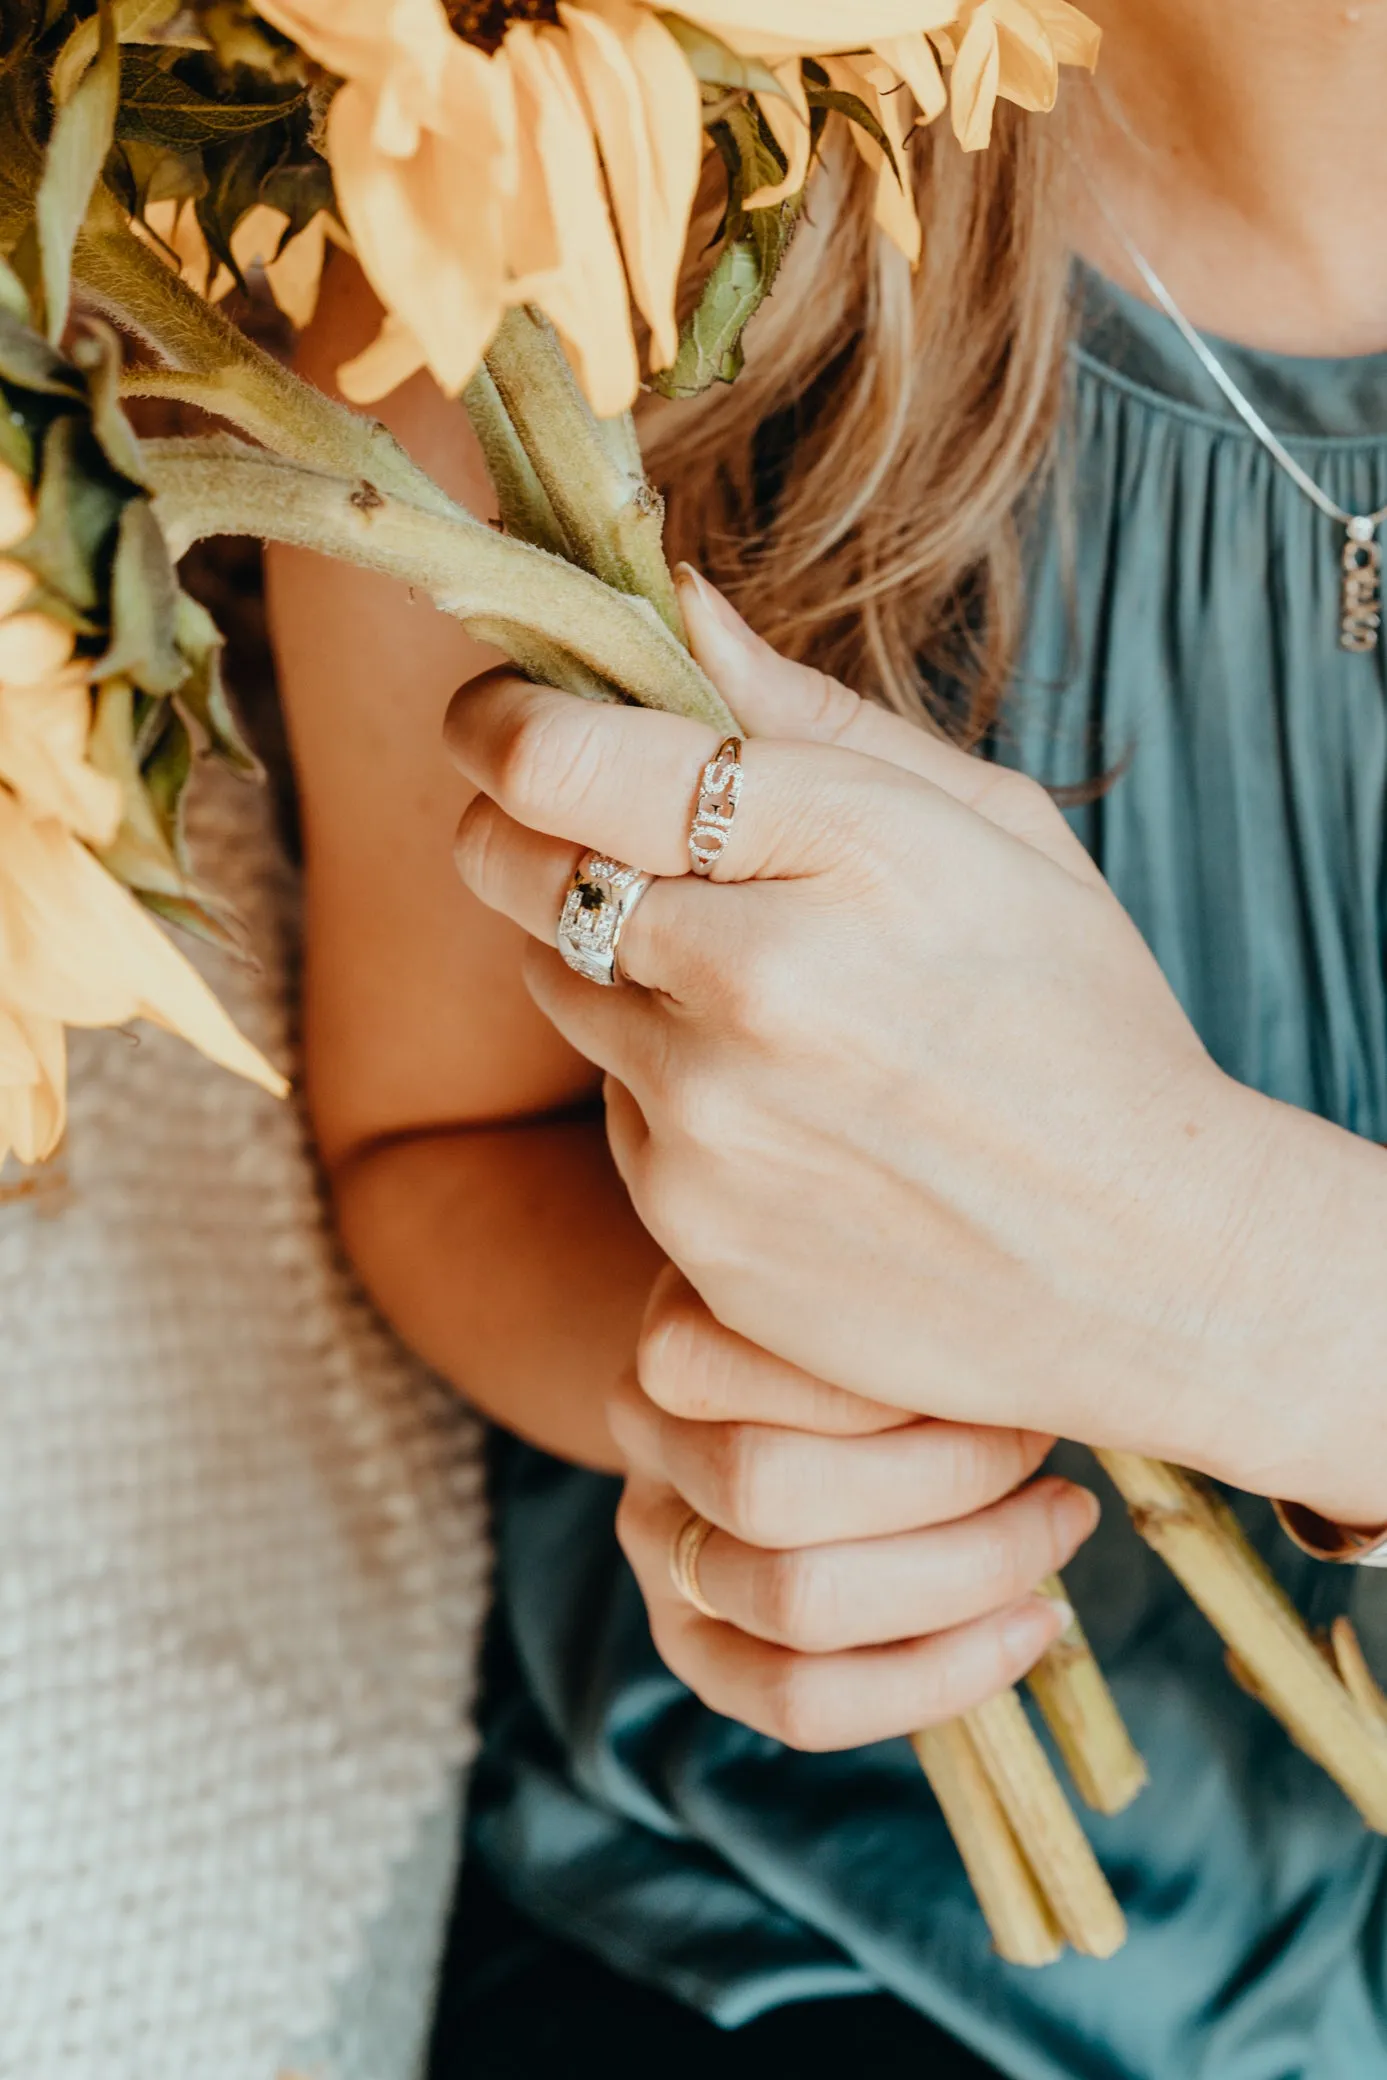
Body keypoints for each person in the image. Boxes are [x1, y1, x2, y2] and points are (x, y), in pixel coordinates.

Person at [266, 2, 1387, 2072]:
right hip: (833, 1930)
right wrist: (757, 1391)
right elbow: (433, 1148)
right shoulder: (538, 201)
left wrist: (1254, 1295)